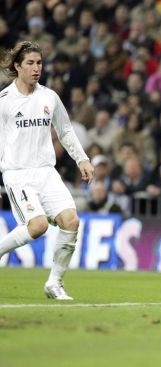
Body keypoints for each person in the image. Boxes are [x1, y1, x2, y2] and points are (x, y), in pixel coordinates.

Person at [0, 41, 94, 300]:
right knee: (38, 226)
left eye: (39, 62)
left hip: (46, 172)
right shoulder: (4, 101)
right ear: (17, 66)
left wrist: (82, 159)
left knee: (71, 221)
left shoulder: (49, 97)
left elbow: (64, 130)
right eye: (30, 63)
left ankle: (55, 283)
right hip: (18, 174)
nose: (36, 68)